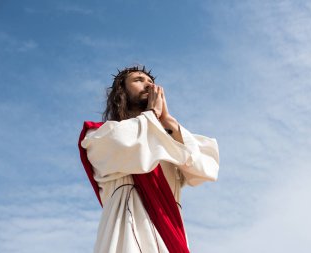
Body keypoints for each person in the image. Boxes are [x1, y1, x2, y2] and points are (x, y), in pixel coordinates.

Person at [78, 66, 219, 253]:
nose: (148, 85)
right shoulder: (100, 135)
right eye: (138, 80)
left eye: (150, 82)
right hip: (128, 224)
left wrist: (168, 121)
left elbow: (202, 168)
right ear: (121, 92)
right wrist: (151, 115)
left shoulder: (169, 144)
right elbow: (125, 145)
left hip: (169, 230)